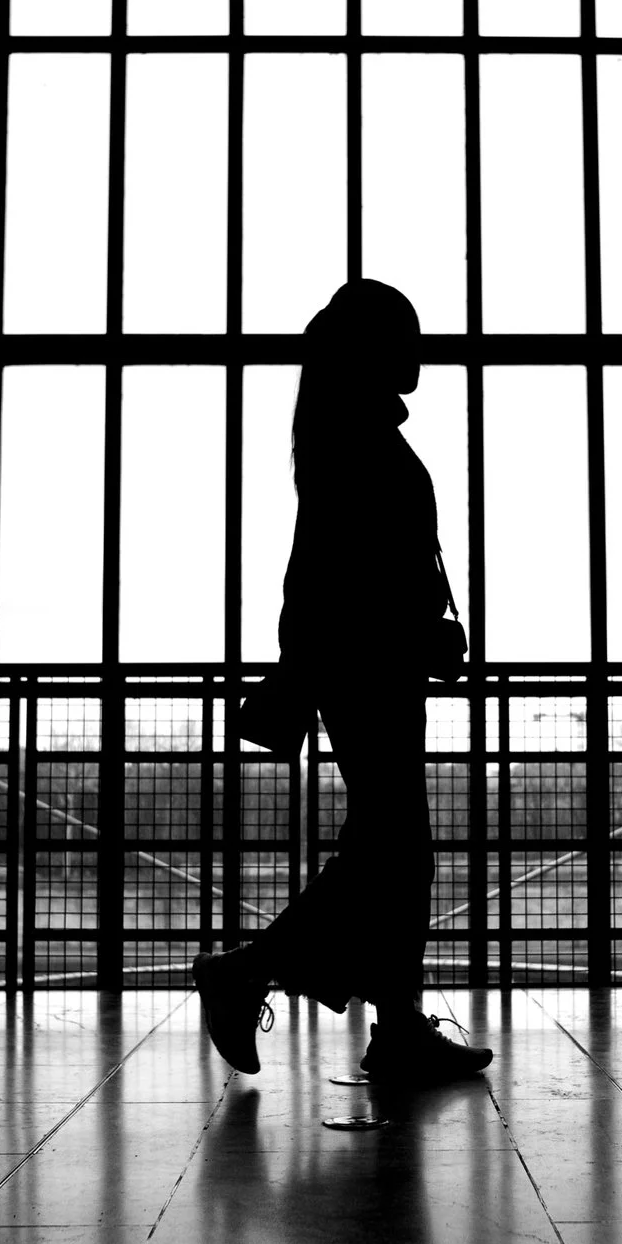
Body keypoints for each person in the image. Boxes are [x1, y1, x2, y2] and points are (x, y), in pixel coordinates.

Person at [191, 279, 493, 1085]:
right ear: (377, 349)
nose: (420, 349)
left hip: (365, 669)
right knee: (389, 851)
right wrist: (421, 628)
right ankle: (251, 969)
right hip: (373, 671)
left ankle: (391, 1023)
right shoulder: (364, 443)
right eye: (408, 335)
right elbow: (362, 575)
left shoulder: (344, 434)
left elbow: (338, 571)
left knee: (393, 851)